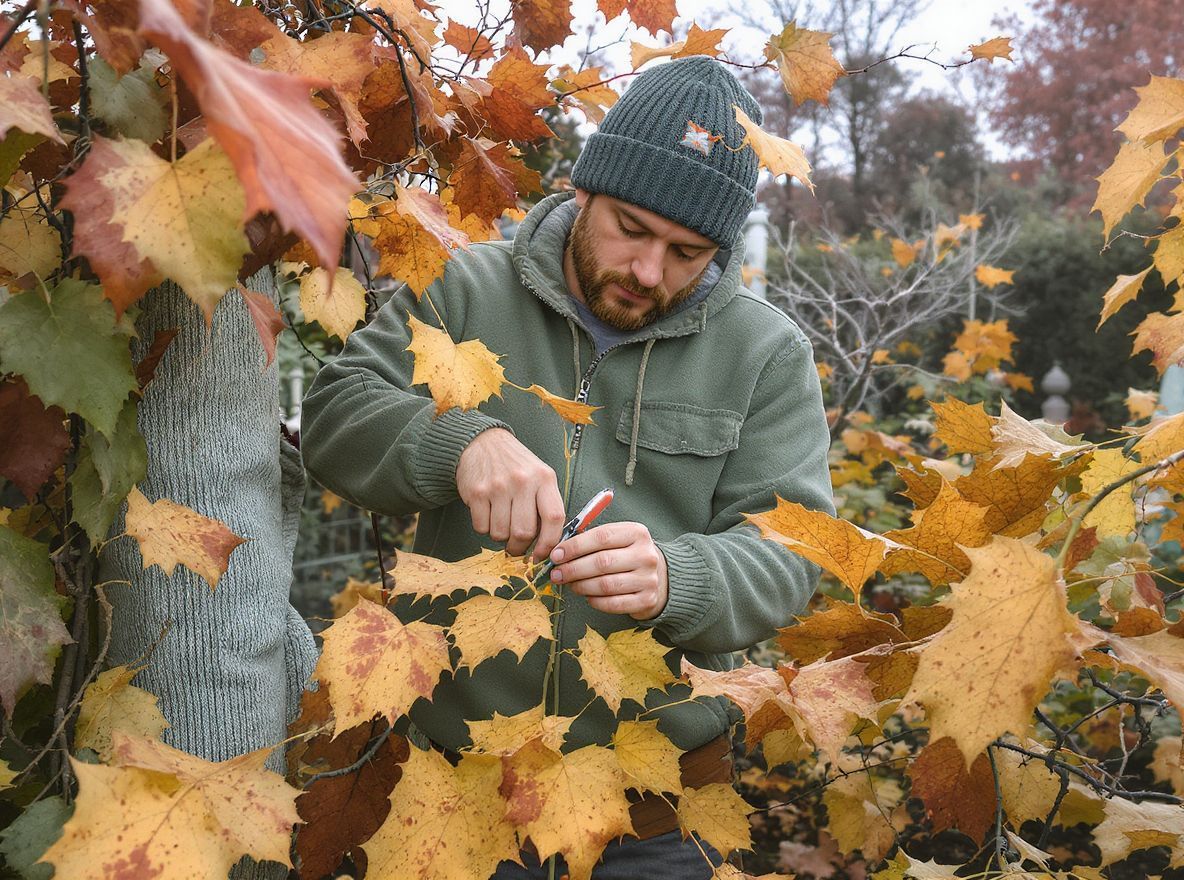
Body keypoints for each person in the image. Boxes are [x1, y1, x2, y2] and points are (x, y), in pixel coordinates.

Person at [300, 55, 833, 879]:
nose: (649, 272)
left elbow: (792, 552)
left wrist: (679, 578)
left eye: (688, 251)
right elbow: (337, 415)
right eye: (631, 228)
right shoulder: (462, 287)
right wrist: (458, 442)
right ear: (584, 190)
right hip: (454, 785)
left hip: (655, 809)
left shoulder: (766, 355)